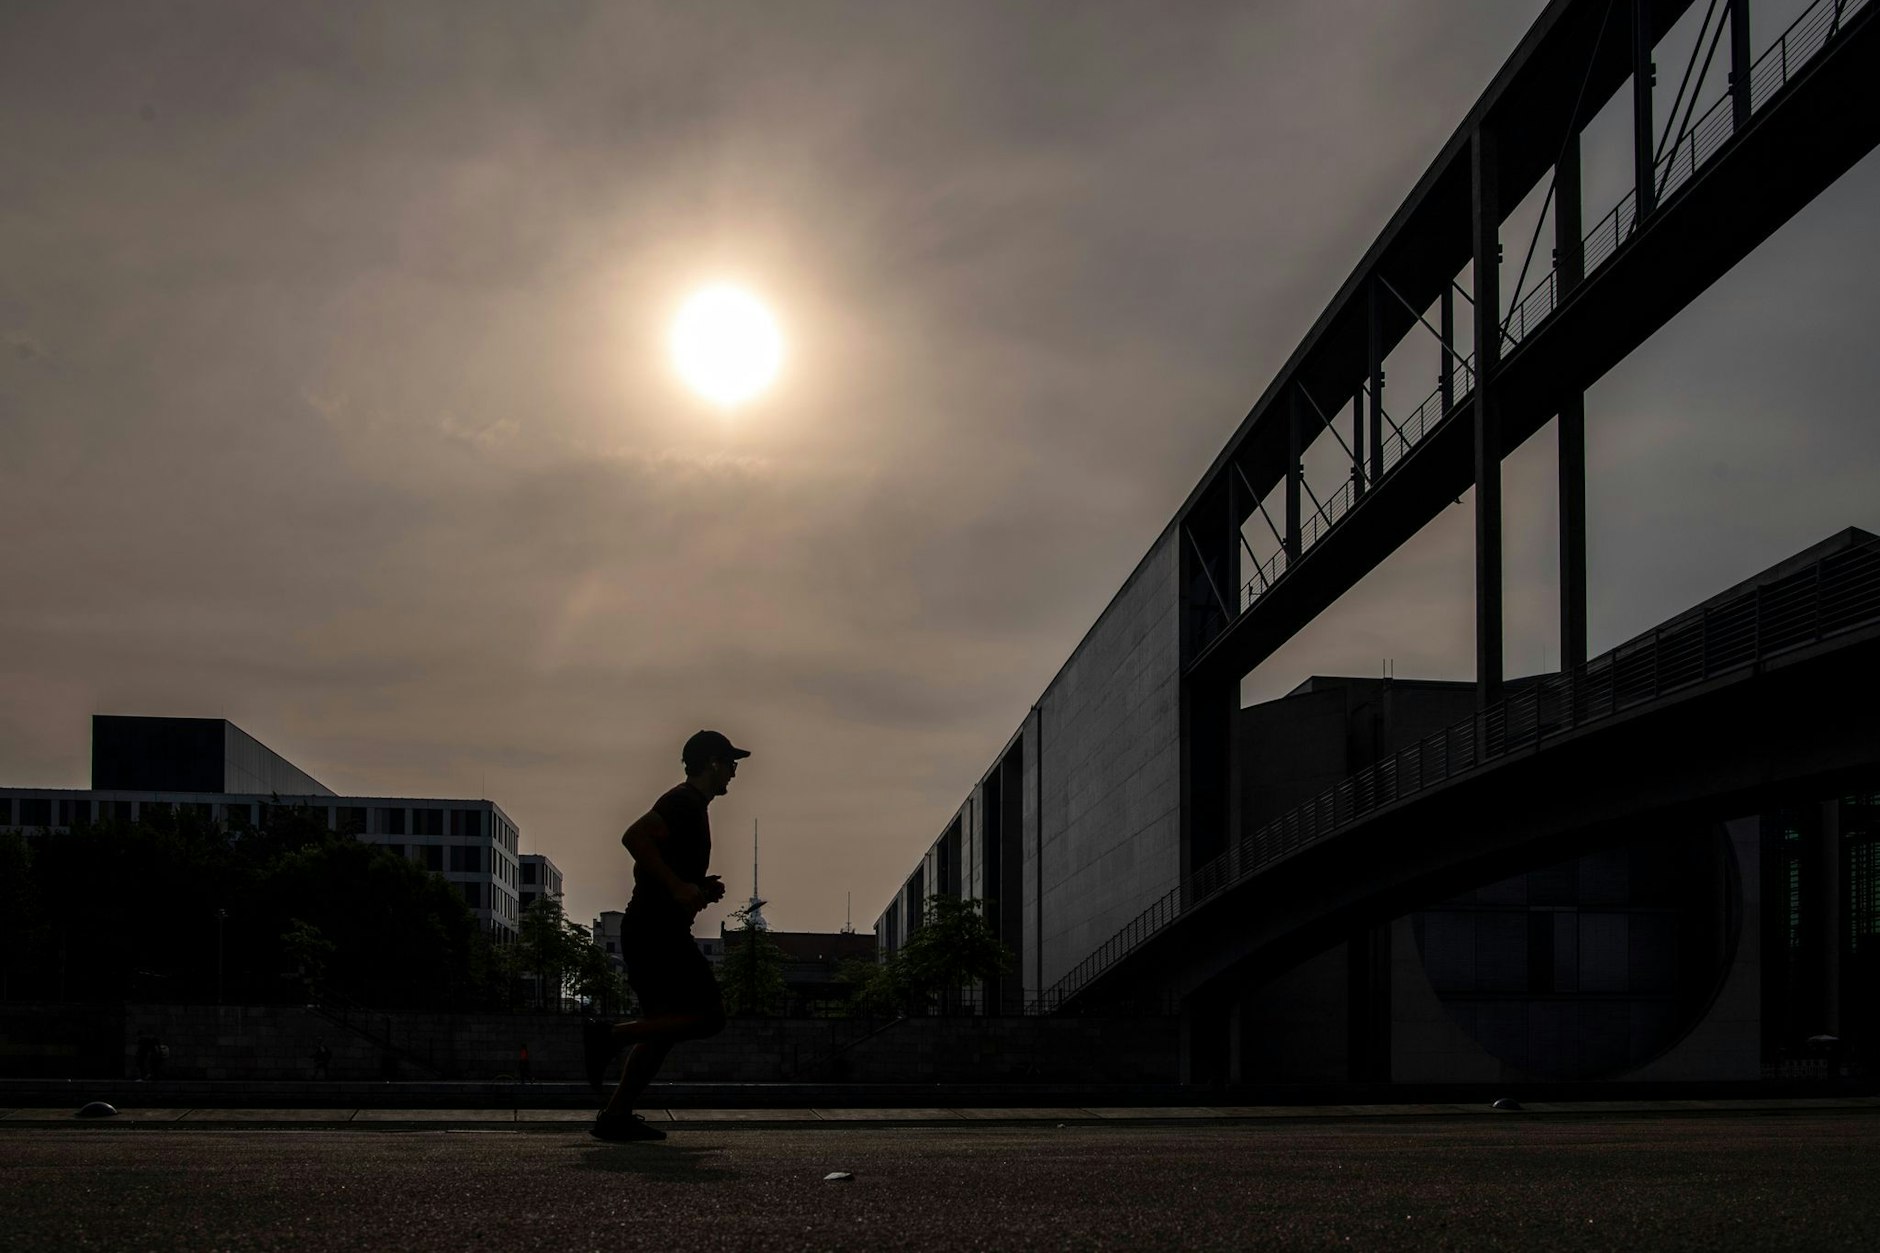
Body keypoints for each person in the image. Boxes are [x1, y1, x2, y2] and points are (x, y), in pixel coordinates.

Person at [583, 729, 745, 1142]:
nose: (734, 773)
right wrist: (677, 886)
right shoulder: (683, 801)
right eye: (731, 764)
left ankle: (615, 1115)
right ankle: (611, 1036)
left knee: (662, 1027)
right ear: (712, 763)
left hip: (653, 928)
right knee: (710, 1016)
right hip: (657, 932)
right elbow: (634, 836)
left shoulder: (693, 807)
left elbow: (666, 868)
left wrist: (699, 887)